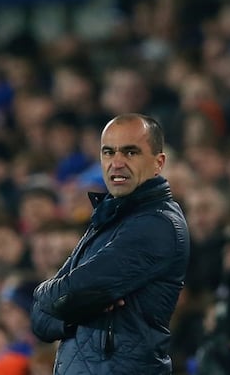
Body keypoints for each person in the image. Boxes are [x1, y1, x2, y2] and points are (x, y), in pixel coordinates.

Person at [30, 113, 189, 374]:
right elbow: (39, 320)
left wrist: (49, 295)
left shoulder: (156, 224)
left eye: (130, 153)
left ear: (158, 162)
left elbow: (64, 295)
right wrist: (77, 310)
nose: (116, 163)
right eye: (108, 152)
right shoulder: (108, 219)